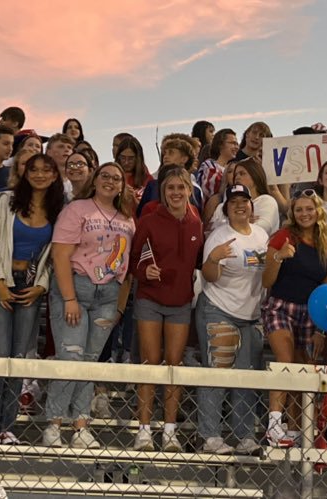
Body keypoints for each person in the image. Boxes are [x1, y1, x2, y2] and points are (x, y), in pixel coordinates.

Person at [44, 162, 135, 448]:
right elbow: (60, 254)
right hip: (76, 287)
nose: (110, 181)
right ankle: (54, 424)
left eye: (116, 178)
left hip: (108, 295)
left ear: (122, 185)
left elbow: (126, 267)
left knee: (89, 362)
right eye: (105, 176)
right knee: (70, 358)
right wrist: (69, 298)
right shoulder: (77, 209)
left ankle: (81, 425)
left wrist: (119, 306)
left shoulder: (128, 219)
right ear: (95, 180)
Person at [0, 153, 64, 445]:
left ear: (55, 175)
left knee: (19, 359)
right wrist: (0, 282)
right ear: (25, 173)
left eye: (46, 170)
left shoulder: (59, 210)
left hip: (31, 288)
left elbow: (56, 256)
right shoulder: (6, 200)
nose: (39, 174)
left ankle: (7, 427)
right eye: (34, 169)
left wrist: (42, 285)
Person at [129, 167, 203, 452]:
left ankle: (170, 432)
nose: (175, 193)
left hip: (180, 303)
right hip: (150, 298)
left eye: (180, 187)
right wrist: (144, 271)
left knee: (174, 366)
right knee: (150, 363)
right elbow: (133, 261)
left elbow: (198, 263)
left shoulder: (197, 223)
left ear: (188, 190)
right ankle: (144, 432)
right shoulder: (148, 221)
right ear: (163, 191)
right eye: (170, 187)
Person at [194, 184, 269, 455]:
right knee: (217, 373)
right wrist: (212, 259)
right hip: (219, 309)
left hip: (251, 315)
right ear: (226, 208)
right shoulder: (219, 236)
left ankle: (245, 436)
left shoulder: (261, 234)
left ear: (252, 205)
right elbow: (210, 276)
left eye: (245, 201)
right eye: (234, 201)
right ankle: (210, 436)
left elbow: (267, 272)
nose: (240, 205)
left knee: (247, 378)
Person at [260, 191, 327, 447]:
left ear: (318, 212)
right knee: (285, 362)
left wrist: (321, 329)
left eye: (309, 209)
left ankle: (294, 430)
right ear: (292, 214)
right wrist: (278, 256)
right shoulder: (284, 237)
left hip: (310, 314)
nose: (304, 214)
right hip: (281, 306)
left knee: (302, 369)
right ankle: (273, 426)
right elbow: (266, 281)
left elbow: (326, 291)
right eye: (299, 210)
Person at [205, 159, 281, 236]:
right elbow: (209, 233)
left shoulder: (267, 201)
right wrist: (242, 223)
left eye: (242, 173)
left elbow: (261, 230)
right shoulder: (222, 207)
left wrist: (225, 225)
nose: (237, 177)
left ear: (255, 176)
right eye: (235, 175)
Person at [194, 128, 238, 206]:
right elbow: (211, 196)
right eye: (232, 143)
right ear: (220, 145)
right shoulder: (209, 166)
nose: (236, 147)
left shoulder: (233, 168)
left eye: (237, 144)